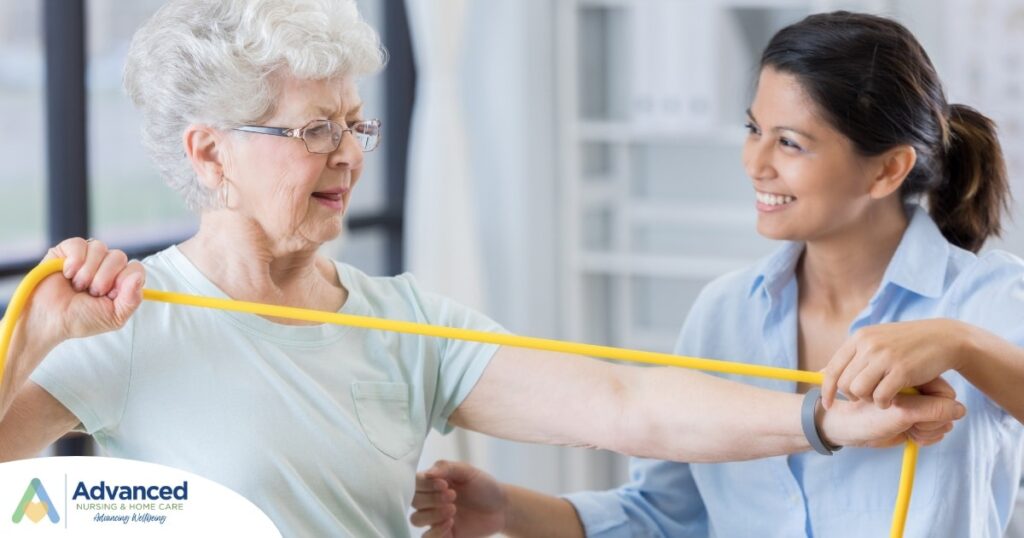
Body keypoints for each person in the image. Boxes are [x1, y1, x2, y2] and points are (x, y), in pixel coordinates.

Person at [0, 3, 965, 536]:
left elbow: (627, 405)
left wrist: (822, 418)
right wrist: (33, 340)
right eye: (313, 131)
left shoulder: (403, 320)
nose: (348, 155)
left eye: (355, 125)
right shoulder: (129, 322)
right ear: (209, 153)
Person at [410, 11, 1024, 538]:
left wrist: (960, 344)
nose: (754, 163)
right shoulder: (725, 311)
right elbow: (664, 517)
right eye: (753, 129)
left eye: (790, 143)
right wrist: (504, 510)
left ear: (888, 170)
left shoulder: (983, 300)